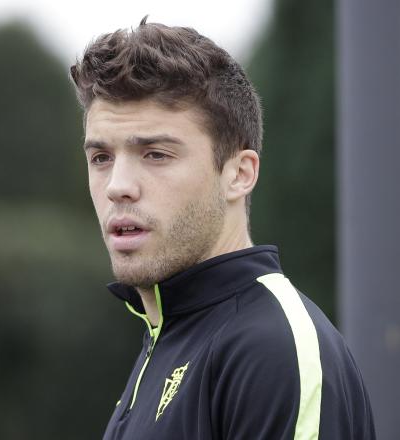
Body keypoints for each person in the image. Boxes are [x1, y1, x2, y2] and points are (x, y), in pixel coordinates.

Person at [69, 17, 375, 439]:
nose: (118, 186)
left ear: (239, 174)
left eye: (156, 154)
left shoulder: (272, 348)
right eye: (101, 157)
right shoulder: (168, 334)